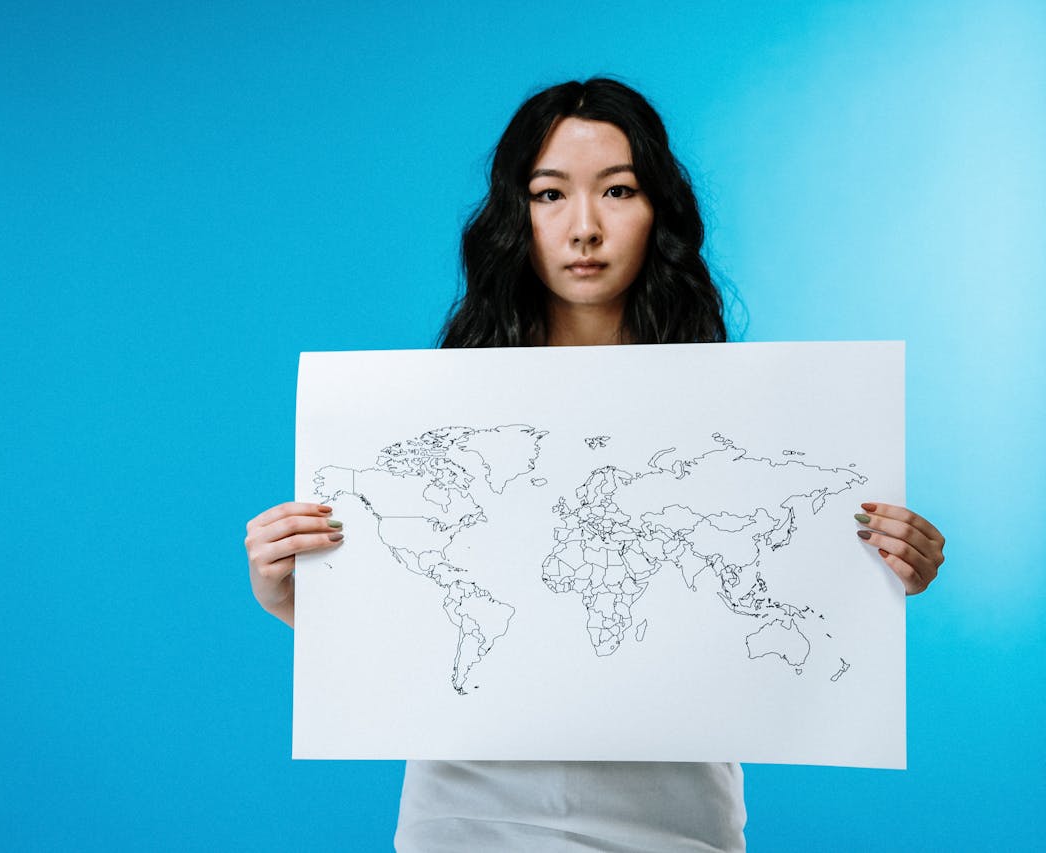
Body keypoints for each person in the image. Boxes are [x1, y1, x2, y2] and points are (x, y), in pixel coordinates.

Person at [244, 78, 945, 851]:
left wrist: (886, 566)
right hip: (468, 810)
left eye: (617, 190)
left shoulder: (738, 423)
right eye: (550, 195)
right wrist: (297, 598)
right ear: (518, 216)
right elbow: (431, 617)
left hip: (675, 815)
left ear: (658, 213)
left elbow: (779, 601)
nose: (584, 228)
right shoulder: (436, 416)